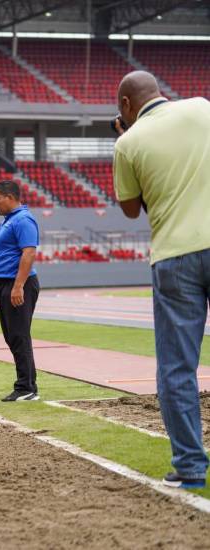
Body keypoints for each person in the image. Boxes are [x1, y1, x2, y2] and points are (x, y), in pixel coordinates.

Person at [113, 70, 210, 490]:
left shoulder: (127, 142)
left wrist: (127, 138)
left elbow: (131, 209)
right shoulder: (202, 108)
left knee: (177, 368)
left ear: (125, 105)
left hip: (174, 257)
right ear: (160, 92)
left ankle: (190, 466)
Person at [0, 180, 40, 402]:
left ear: (10, 197)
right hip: (7, 285)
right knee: (13, 336)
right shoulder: (10, 220)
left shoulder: (23, 220)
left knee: (19, 336)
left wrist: (17, 287)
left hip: (18, 284)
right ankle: (27, 385)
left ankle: (26, 387)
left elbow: (29, 253)